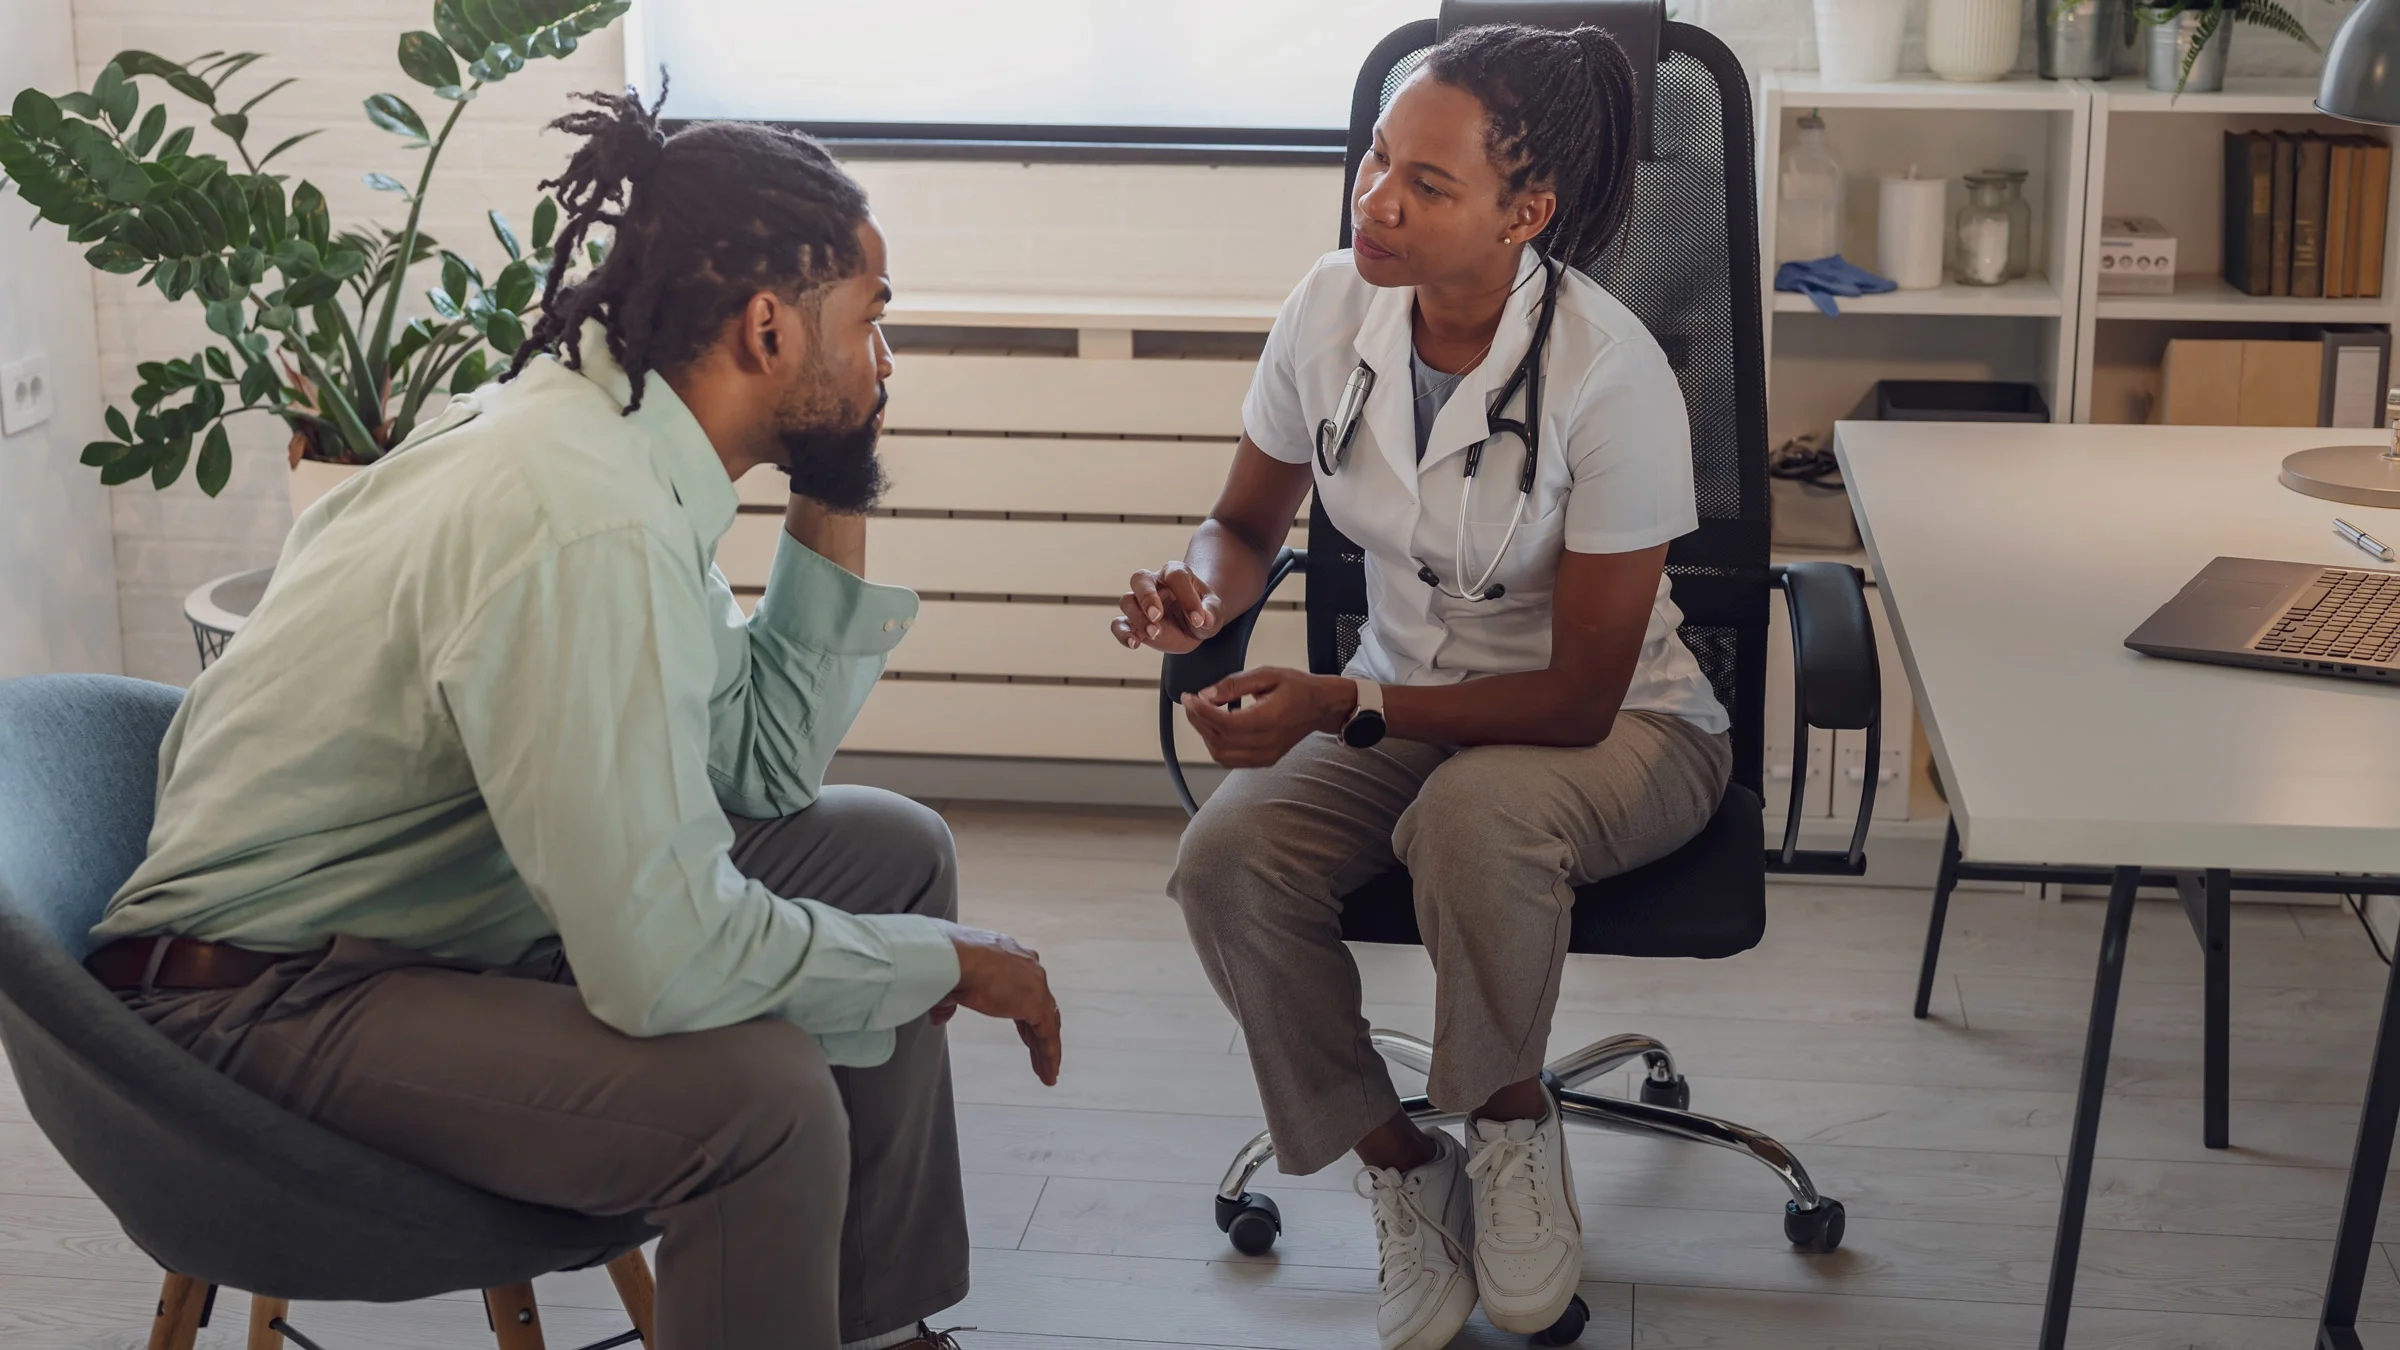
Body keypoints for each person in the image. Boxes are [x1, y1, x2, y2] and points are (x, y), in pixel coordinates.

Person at [88, 86, 1061, 1350]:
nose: (885, 362)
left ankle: (872, 1329)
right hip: (263, 1003)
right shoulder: (586, 516)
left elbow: (762, 770)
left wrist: (836, 471)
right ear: (769, 327)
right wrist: (946, 964)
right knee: (759, 1100)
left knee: (888, 851)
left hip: (423, 933)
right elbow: (662, 964)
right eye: (873, 320)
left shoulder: (614, 443)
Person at [1113, 26, 1728, 1350]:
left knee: (1473, 817)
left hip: (1625, 727)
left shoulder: (1610, 373)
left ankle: (1510, 1126)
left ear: (1526, 214)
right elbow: (1241, 522)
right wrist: (1198, 591)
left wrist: (1343, 705)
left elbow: (1576, 699)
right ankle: (1401, 1161)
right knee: (1225, 863)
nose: (1377, 200)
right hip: (1404, 700)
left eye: (1427, 184)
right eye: (1378, 160)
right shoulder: (1330, 307)